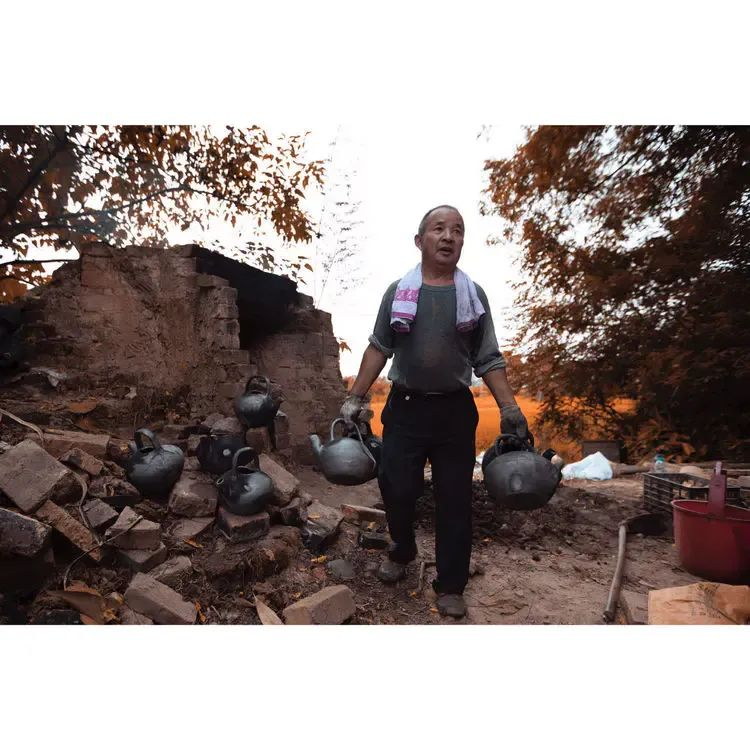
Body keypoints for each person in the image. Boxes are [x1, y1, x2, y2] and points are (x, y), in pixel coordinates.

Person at [340, 205, 529, 619]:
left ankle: (451, 584)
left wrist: (510, 407)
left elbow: (488, 358)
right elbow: (379, 347)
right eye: (439, 229)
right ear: (419, 240)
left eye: (457, 230)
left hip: (454, 412)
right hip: (405, 409)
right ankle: (402, 548)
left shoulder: (472, 296)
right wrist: (355, 397)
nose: (448, 237)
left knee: (455, 499)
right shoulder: (399, 292)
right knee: (396, 487)